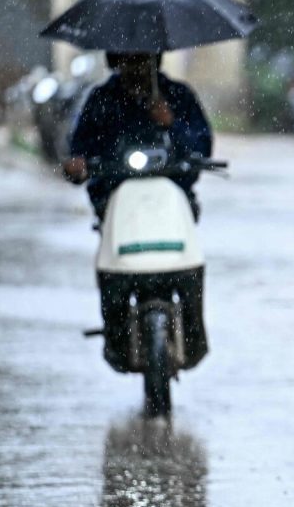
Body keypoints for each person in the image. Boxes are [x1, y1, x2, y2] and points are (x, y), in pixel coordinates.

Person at [61, 52, 213, 371]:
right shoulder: (102, 99)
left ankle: (194, 337)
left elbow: (202, 145)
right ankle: (116, 339)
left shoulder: (178, 96)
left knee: (190, 269)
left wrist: (172, 124)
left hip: (172, 200)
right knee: (111, 269)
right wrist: (77, 164)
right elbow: (79, 148)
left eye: (143, 59)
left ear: (156, 59)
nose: (136, 67)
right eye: (129, 60)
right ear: (115, 60)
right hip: (115, 199)